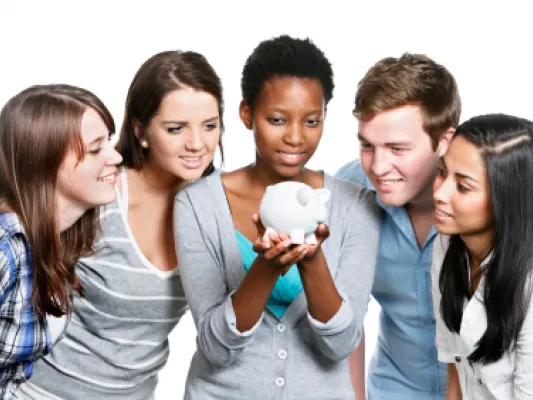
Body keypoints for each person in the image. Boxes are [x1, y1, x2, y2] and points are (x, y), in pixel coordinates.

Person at [174, 35, 380, 400]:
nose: (296, 137)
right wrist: (264, 269)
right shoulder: (198, 204)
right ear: (246, 114)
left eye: (312, 121)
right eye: (277, 119)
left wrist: (312, 260)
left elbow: (342, 345)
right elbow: (215, 348)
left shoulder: (355, 206)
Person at [19, 50, 224, 399]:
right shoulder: (99, 193)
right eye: (176, 128)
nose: (197, 144)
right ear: (140, 130)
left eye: (210, 125)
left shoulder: (219, 209)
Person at [336, 53, 461, 399]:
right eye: (367, 145)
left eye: (397, 148)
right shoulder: (350, 191)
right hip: (391, 389)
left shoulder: (491, 196)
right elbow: (343, 318)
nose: (378, 167)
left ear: (444, 142)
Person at [0, 84, 122, 398]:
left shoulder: (57, 242)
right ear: (46, 163)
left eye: (108, 141)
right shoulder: (5, 248)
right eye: (96, 149)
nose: (116, 156)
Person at [432, 114, 533, 399]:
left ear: (506, 200)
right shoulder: (446, 242)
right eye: (441, 172)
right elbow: (455, 362)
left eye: (462, 186)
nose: (439, 192)